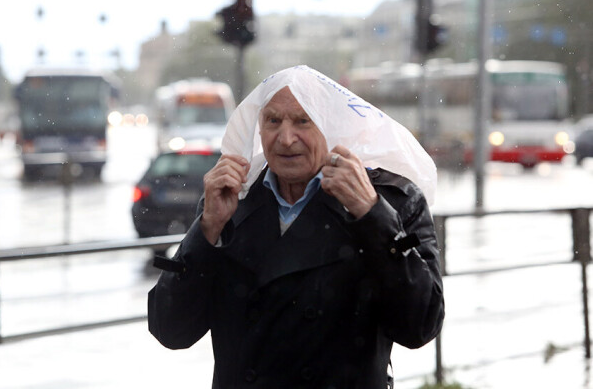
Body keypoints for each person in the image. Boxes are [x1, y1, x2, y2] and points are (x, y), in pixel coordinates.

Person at [148, 66, 444, 389]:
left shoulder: (390, 200)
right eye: (273, 121)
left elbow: (421, 324)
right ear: (258, 128)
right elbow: (170, 327)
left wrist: (372, 214)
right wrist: (205, 229)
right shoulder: (232, 200)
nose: (286, 139)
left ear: (330, 126)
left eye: (303, 120)